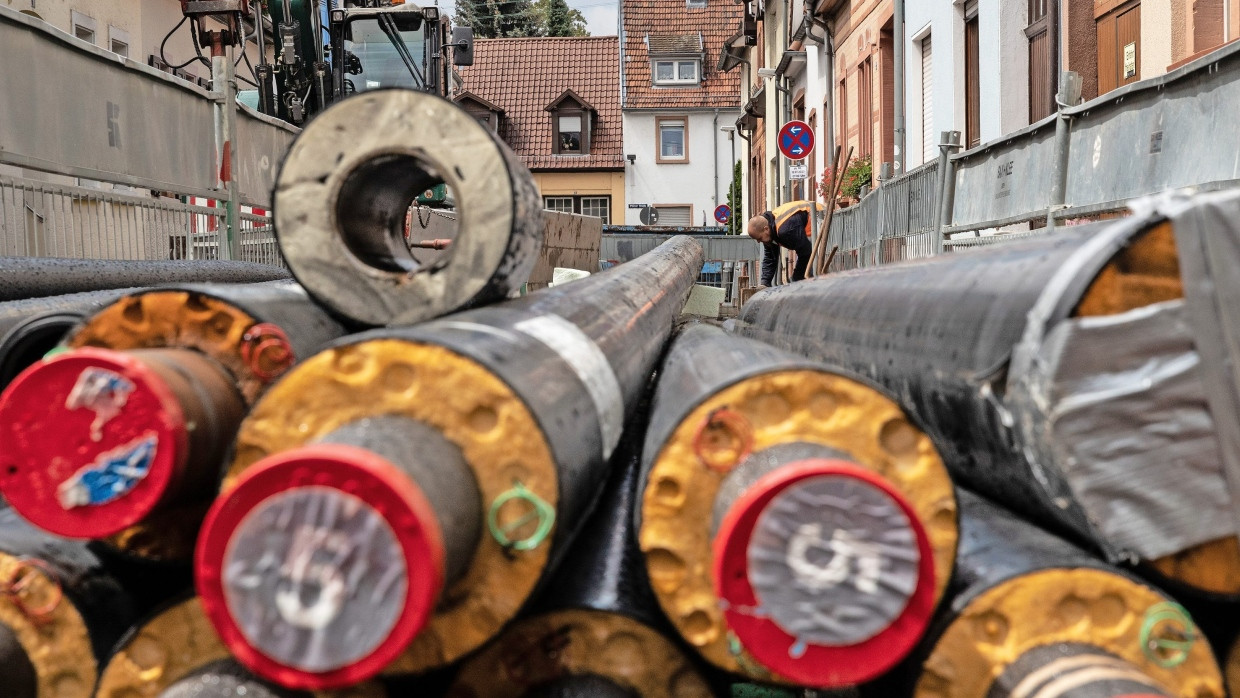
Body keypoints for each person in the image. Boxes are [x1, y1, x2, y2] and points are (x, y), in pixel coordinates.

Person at [746, 200, 823, 286]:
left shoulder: (785, 229)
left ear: (766, 229)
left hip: (822, 221)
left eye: (759, 238)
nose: (759, 241)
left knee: (810, 274)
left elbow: (805, 252)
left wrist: (796, 279)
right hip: (812, 234)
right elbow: (770, 258)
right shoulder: (771, 228)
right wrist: (764, 283)